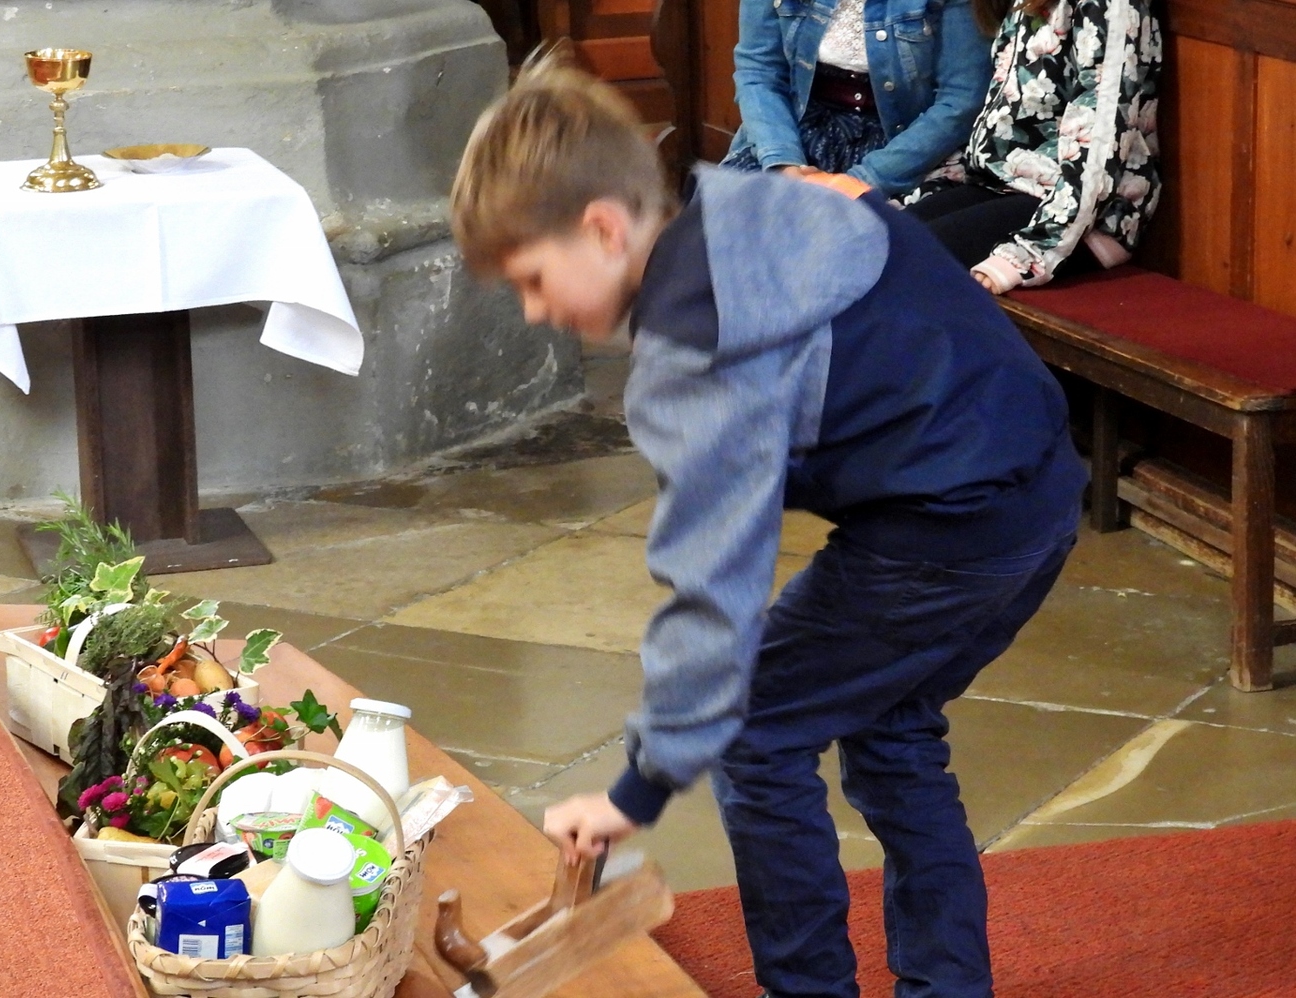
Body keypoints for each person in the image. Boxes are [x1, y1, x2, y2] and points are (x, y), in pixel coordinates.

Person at [451, 57, 1085, 998]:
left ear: (602, 228)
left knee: (754, 735)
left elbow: (715, 592)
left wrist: (637, 790)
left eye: (533, 280)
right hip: (1042, 491)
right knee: (893, 726)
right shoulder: (759, 201)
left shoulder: (695, 350)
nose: (538, 311)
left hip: (944, 530)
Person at [904, 0, 1162, 293]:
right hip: (1006, 182)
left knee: (909, 267)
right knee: (884, 240)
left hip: (1081, 211)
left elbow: (1101, 139)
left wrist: (1031, 252)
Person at [724, 0, 994, 196]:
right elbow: (759, 70)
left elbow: (962, 99)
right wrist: (784, 163)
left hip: (900, 145)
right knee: (731, 227)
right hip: (793, 128)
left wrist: (863, 179)